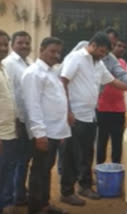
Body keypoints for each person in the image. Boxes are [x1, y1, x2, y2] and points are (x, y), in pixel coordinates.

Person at [59, 32, 127, 206]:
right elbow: (63, 81)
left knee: (87, 152)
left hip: (90, 115)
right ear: (93, 45)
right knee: (71, 154)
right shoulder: (76, 58)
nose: (104, 55)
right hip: (74, 115)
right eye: (102, 51)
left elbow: (112, 80)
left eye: (106, 53)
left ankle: (84, 186)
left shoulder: (98, 63)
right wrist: (66, 111)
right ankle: (67, 192)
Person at [21, 37, 69, 214]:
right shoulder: (34, 73)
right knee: (39, 171)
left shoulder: (51, 71)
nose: (56, 55)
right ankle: (36, 208)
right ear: (41, 49)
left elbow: (56, 102)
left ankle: (45, 204)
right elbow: (33, 106)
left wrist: (62, 131)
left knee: (46, 170)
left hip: (55, 131)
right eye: (52, 51)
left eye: (58, 52)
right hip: (44, 132)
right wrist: (39, 134)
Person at [2, 31, 32, 206]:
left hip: (25, 121)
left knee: (23, 160)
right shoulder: (9, 63)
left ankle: (19, 194)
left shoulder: (28, 62)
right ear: (14, 45)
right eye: (20, 43)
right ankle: (10, 198)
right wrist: (17, 121)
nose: (24, 46)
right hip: (15, 123)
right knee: (13, 162)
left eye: (27, 43)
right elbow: (10, 95)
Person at [96, 39, 127, 164]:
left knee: (117, 141)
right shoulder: (102, 62)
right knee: (102, 140)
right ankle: (99, 167)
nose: (121, 49)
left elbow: (125, 80)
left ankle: (116, 167)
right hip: (102, 107)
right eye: (118, 46)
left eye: (123, 47)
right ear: (112, 47)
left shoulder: (123, 63)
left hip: (119, 109)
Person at [0, 29, 19, 214]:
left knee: (7, 168)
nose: (3, 48)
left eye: (5, 44)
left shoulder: (3, 69)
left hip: (9, 130)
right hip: (1, 133)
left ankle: (5, 202)